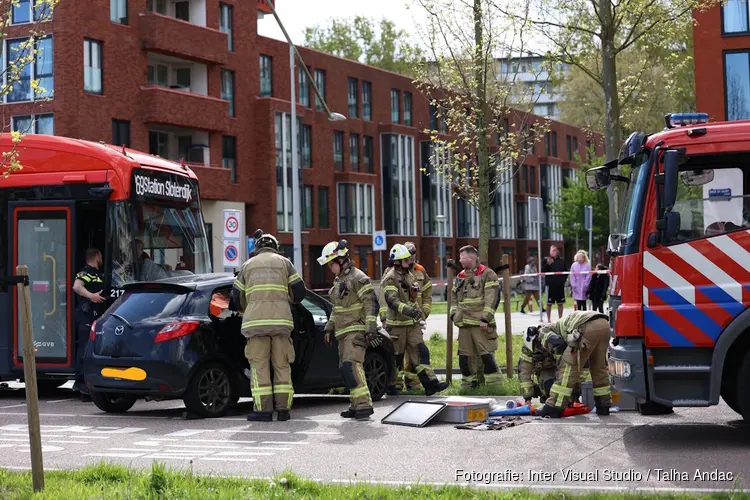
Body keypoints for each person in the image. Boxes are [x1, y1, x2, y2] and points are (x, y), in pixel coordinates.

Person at [232, 229, 306, 422]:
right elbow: (299, 293)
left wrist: (247, 308)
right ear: (275, 247)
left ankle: (263, 411)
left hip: (255, 325)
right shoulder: (285, 263)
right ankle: (283, 410)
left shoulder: (247, 266)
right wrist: (287, 299)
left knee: (260, 367)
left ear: (257, 248)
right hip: (281, 323)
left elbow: (235, 297)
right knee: (282, 366)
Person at [317, 240, 379, 420]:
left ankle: (364, 405)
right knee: (345, 370)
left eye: (331, 264)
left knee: (351, 366)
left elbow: (371, 304)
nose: (329, 268)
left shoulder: (358, 278)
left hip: (356, 330)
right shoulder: (339, 281)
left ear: (341, 260)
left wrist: (370, 329)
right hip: (342, 332)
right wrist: (329, 328)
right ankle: (355, 404)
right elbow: (337, 309)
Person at [382, 244, 449, 396]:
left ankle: (431, 384)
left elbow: (414, 296)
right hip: (397, 326)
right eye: (406, 259)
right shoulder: (390, 277)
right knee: (396, 357)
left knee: (421, 353)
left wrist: (419, 313)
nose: (410, 260)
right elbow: (392, 301)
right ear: (398, 261)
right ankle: (391, 386)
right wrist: (410, 311)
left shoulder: (409, 275)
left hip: (412, 325)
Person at [531, 310, 611, 418]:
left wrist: (561, 362)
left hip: (586, 326)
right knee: (599, 368)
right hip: (604, 325)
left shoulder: (543, 330)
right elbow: (583, 366)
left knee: (567, 369)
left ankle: (554, 406)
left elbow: (558, 344)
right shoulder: (560, 326)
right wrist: (575, 390)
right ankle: (603, 406)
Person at [449, 245, 503, 391]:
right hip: (464, 324)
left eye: (462, 257)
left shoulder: (487, 274)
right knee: (464, 358)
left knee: (487, 356)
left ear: (471, 258)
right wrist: (454, 314)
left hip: (481, 324)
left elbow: (492, 298)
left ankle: (495, 387)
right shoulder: (460, 276)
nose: (460, 260)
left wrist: (485, 319)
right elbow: (454, 297)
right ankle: (467, 386)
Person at [72, 248, 106, 400]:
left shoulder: (97, 273)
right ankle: (81, 384)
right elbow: (77, 286)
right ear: (97, 256)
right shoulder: (86, 272)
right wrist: (91, 296)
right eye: (101, 256)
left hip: (96, 316)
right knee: (85, 349)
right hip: (86, 315)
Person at [401, 241, 432, 391]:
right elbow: (385, 297)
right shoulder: (392, 270)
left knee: (415, 354)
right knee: (398, 355)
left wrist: (424, 313)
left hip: (415, 321)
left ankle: (413, 385)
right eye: (408, 254)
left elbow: (427, 294)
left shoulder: (420, 270)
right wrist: (384, 319)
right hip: (399, 321)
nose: (411, 257)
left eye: (413, 254)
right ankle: (395, 386)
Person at [517, 325, 558, 404]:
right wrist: (528, 398)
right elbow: (524, 372)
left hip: (560, 369)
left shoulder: (551, 338)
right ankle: (546, 395)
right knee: (549, 386)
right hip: (546, 370)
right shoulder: (527, 350)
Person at [541, 245, 566, 323]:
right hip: (550, 285)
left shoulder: (561, 261)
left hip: (559, 285)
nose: (554, 252)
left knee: (560, 303)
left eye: (555, 250)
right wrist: (548, 264)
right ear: (550, 252)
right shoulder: (546, 260)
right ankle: (548, 320)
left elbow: (566, 271)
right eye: (552, 250)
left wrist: (563, 281)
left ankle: (560, 319)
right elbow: (542, 271)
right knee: (549, 303)